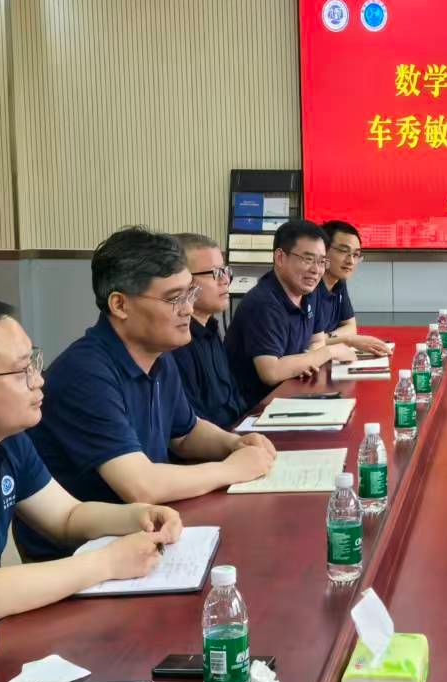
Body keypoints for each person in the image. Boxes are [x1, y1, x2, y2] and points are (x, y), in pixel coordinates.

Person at [0, 294, 184, 619]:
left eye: (34, 362)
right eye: (20, 371)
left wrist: (138, 515)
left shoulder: (7, 437)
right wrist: (107, 562)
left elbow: (66, 517)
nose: (38, 380)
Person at [23, 228, 276, 558]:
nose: (188, 309)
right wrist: (235, 468)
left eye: (190, 293)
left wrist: (234, 444)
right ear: (120, 304)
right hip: (82, 556)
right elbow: (141, 485)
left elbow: (186, 433)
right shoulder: (85, 373)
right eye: (174, 298)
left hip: (146, 534)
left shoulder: (158, 355)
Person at [224, 219, 354, 408]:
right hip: (255, 409)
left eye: (321, 261)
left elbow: (316, 341)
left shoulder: (309, 293)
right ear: (280, 257)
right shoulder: (263, 303)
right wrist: (330, 352)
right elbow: (271, 372)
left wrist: (303, 362)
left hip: (292, 395)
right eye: (308, 259)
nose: (316, 270)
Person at [167, 232, 247, 430]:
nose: (225, 280)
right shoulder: (176, 342)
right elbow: (192, 424)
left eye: (225, 271)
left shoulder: (210, 327)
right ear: (183, 280)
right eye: (215, 273)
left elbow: (233, 397)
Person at [315, 220, 391, 355]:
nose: (350, 261)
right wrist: (347, 340)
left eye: (355, 255)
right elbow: (308, 343)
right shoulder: (309, 286)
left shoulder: (339, 281)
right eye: (344, 251)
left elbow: (351, 327)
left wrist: (330, 337)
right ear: (323, 251)